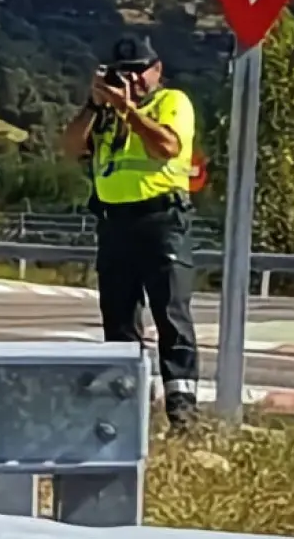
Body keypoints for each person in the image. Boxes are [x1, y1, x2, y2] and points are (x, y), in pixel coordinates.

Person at [61, 34, 201, 430]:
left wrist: (129, 110)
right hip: (114, 222)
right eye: (124, 73)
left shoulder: (171, 103)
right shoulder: (105, 115)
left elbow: (167, 147)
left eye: (140, 71)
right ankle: (124, 408)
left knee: (170, 312)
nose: (133, 80)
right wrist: (95, 104)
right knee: (118, 316)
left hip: (162, 219)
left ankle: (183, 411)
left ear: (157, 70)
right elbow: (71, 148)